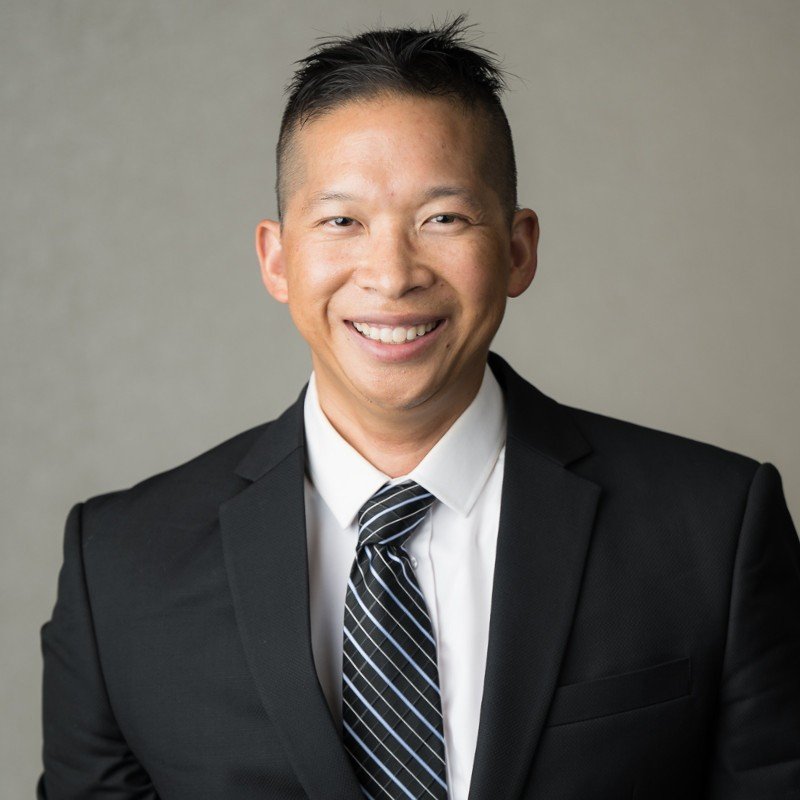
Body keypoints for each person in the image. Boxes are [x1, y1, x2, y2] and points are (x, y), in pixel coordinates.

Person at [38, 14, 800, 800]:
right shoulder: (119, 569)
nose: (392, 274)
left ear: (517, 249)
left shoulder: (715, 529)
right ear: (277, 258)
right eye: (342, 221)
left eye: (443, 219)